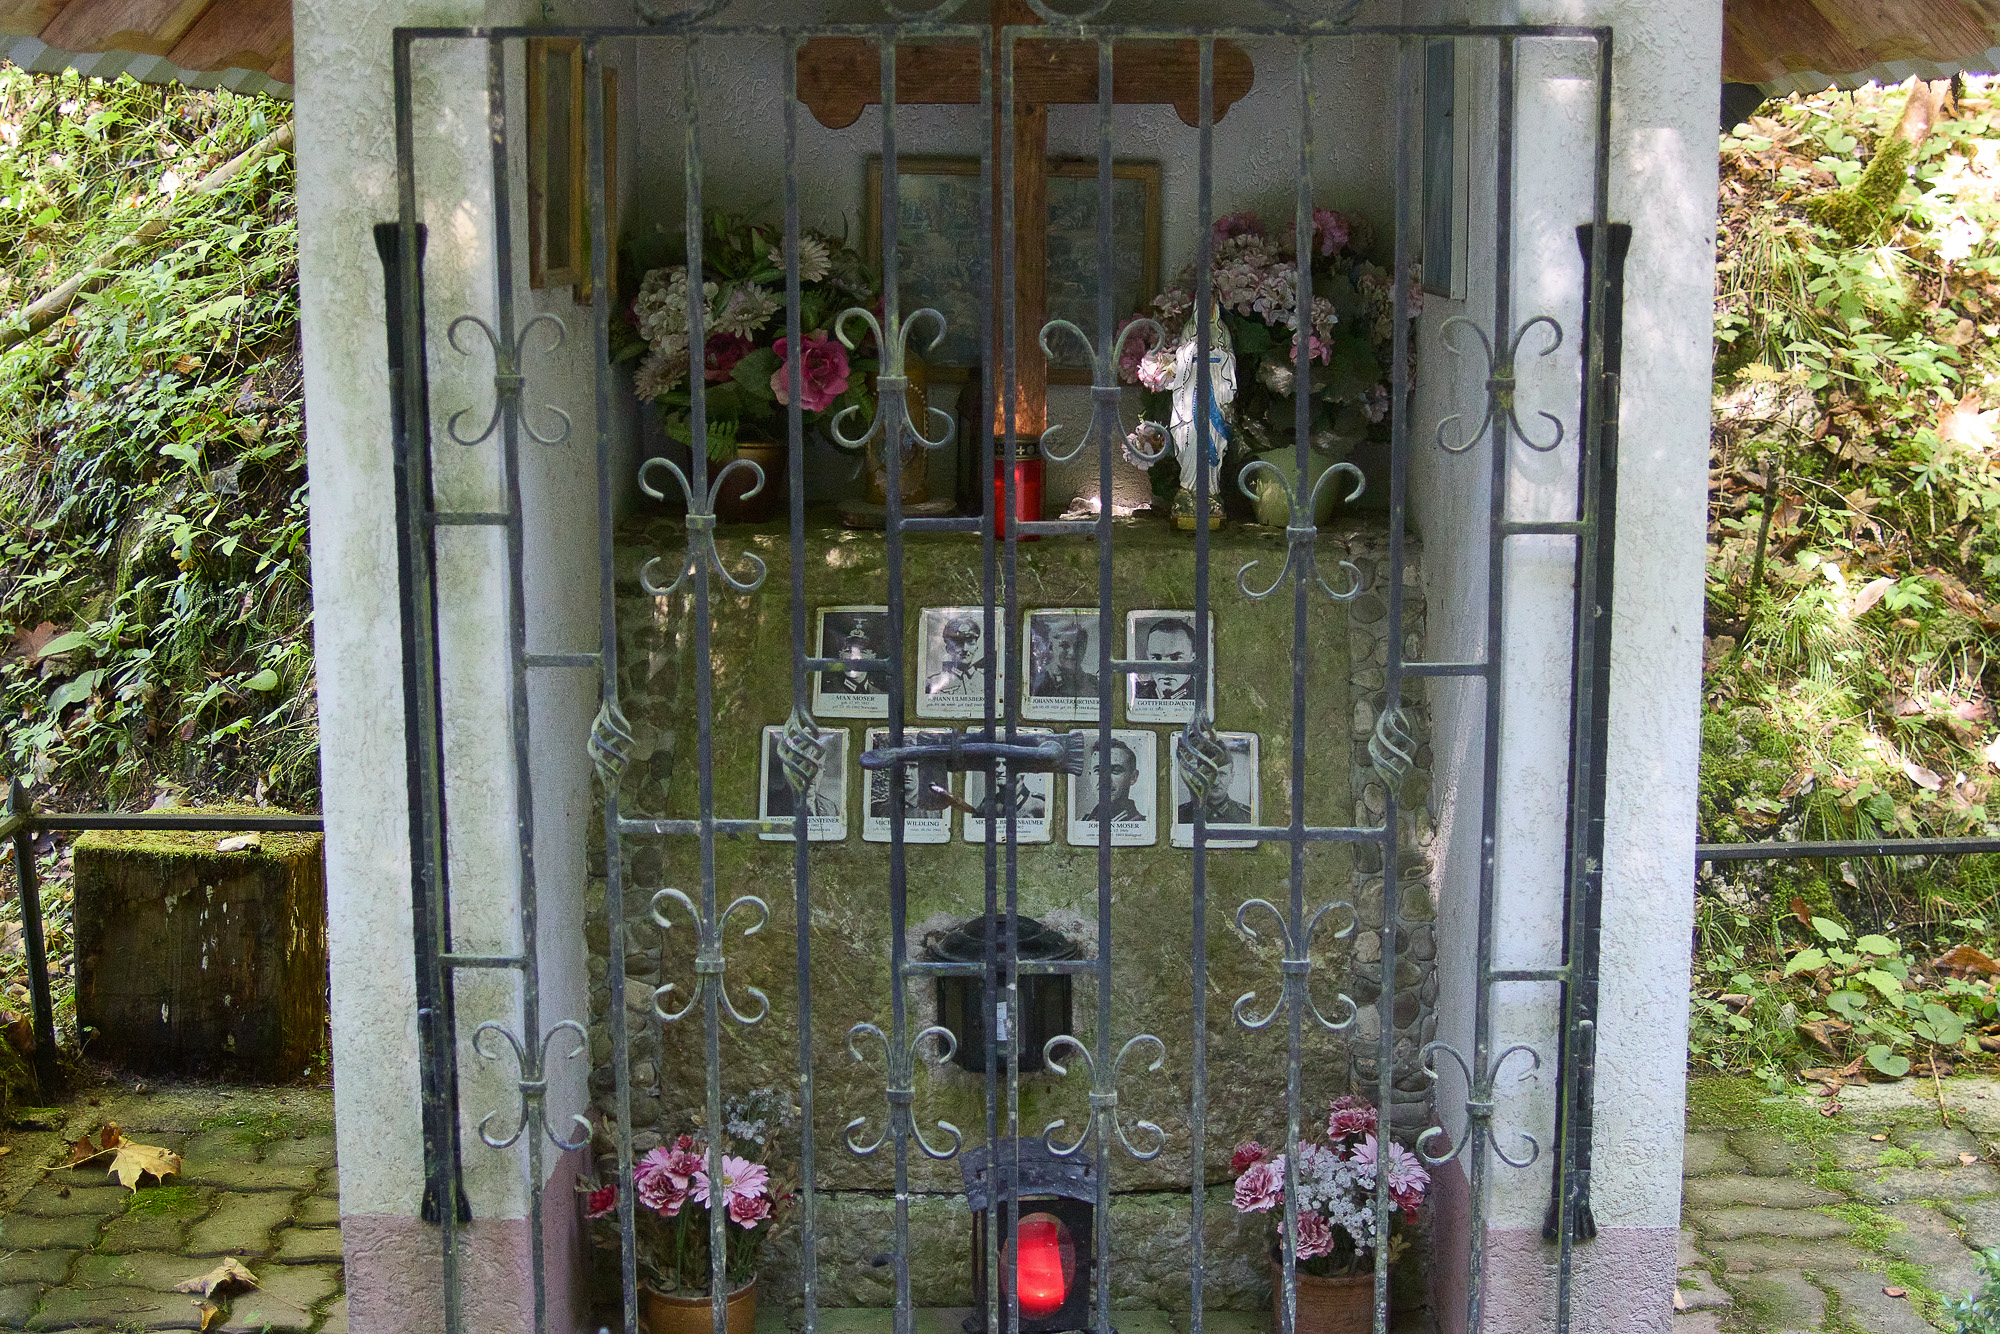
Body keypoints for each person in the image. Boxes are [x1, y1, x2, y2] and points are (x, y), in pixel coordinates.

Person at [1178, 744, 1252, 825]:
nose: (1215, 782)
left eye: (1222, 774)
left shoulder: (1248, 817)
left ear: (1232, 777)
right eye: (1208, 773)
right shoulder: (1179, 815)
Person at [1078, 738, 1143, 824]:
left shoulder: (1142, 824)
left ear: (1133, 777)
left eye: (1116, 770)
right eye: (1098, 771)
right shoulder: (1082, 822)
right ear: (1090, 776)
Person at [1031, 617, 1098, 699]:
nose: (1072, 652)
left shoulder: (1095, 686)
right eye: (1064, 645)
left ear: (1084, 648)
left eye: (1078, 646)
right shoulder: (1038, 683)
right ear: (1051, 647)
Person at [1134, 618, 1198, 701]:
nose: (1165, 670)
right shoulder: (1136, 694)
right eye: (1157, 658)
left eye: (1175, 658)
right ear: (1148, 657)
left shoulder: (1204, 695)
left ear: (1192, 659)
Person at [926, 615, 985, 699]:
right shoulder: (933, 682)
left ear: (976, 647)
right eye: (959, 643)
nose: (965, 649)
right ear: (948, 649)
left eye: (970, 642)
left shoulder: (987, 682)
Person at [823, 618, 886, 697]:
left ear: (873, 657)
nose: (853, 658)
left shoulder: (880, 695)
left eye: (863, 652)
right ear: (840, 655)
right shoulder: (827, 692)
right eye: (848, 651)